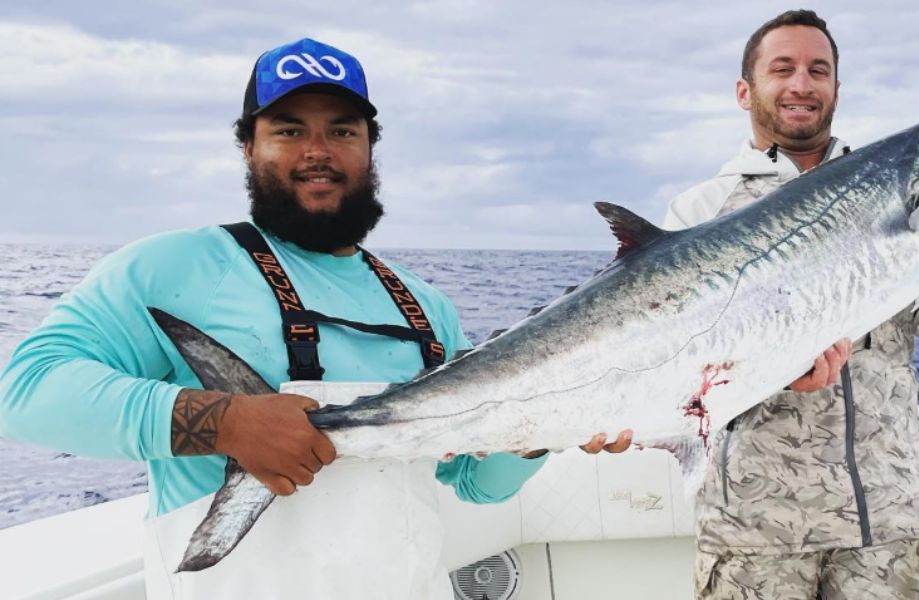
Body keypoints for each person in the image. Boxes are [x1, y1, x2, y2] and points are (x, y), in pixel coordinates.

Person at [0, 38, 629, 598]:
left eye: (343, 131)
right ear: (248, 145)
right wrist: (226, 421)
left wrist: (552, 425)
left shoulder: (423, 304)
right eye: (290, 130)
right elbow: (26, 390)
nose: (318, 152)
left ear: (370, 147)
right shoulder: (175, 266)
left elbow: (474, 481)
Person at [662, 11, 919, 599]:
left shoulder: (902, 194)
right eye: (783, 69)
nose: (802, 83)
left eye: (818, 70)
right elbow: (677, 366)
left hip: (884, 531)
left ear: (836, 88)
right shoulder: (700, 210)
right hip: (753, 534)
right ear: (744, 90)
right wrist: (777, 374)